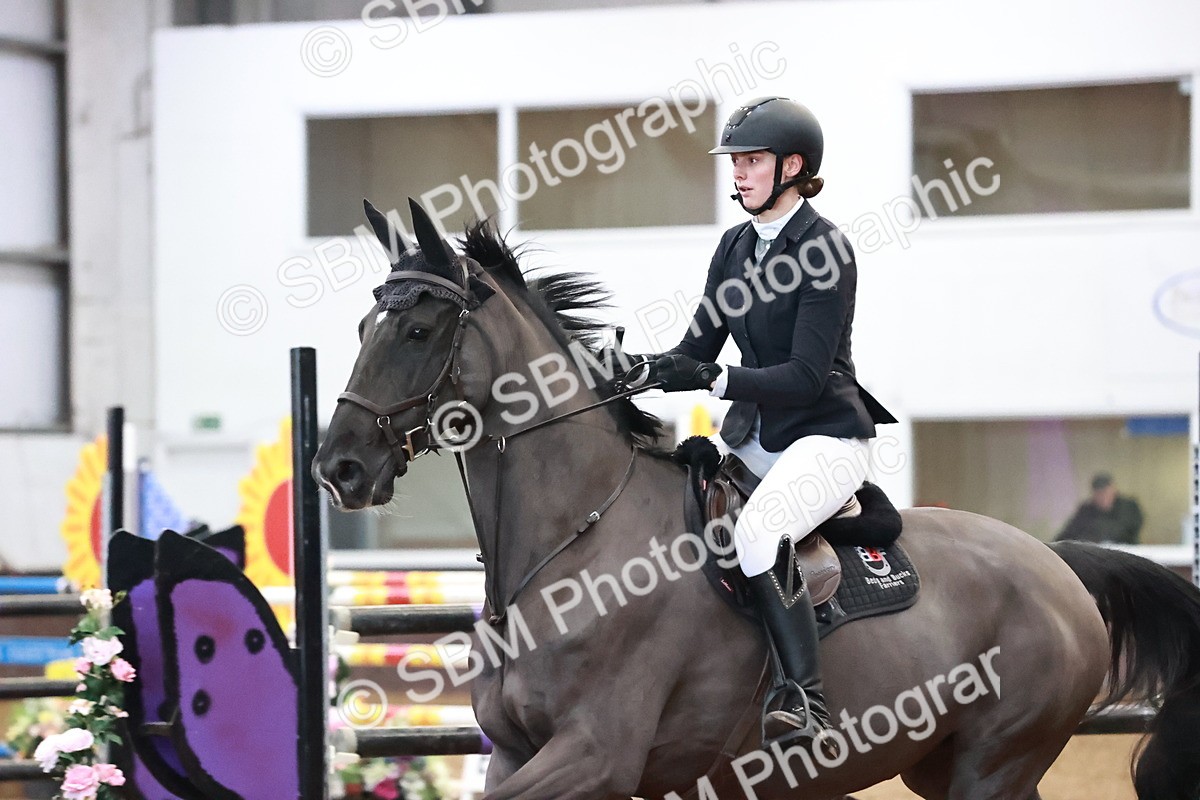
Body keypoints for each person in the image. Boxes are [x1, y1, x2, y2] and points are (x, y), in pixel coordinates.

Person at [632, 97, 896, 751]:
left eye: (751, 161)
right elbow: (698, 349)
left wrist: (717, 379)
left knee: (758, 533)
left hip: (826, 438)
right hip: (755, 439)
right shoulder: (735, 246)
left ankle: (806, 699)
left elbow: (805, 375)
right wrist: (628, 369)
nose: (739, 174)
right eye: (737, 162)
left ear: (792, 166)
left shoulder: (825, 249)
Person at [1056, 473, 1143, 545]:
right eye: (1099, 493)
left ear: (1113, 489)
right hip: (1095, 555)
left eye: (1105, 492)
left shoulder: (1129, 506)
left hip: (1127, 552)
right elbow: (1069, 532)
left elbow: (1129, 530)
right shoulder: (1086, 510)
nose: (1103, 496)